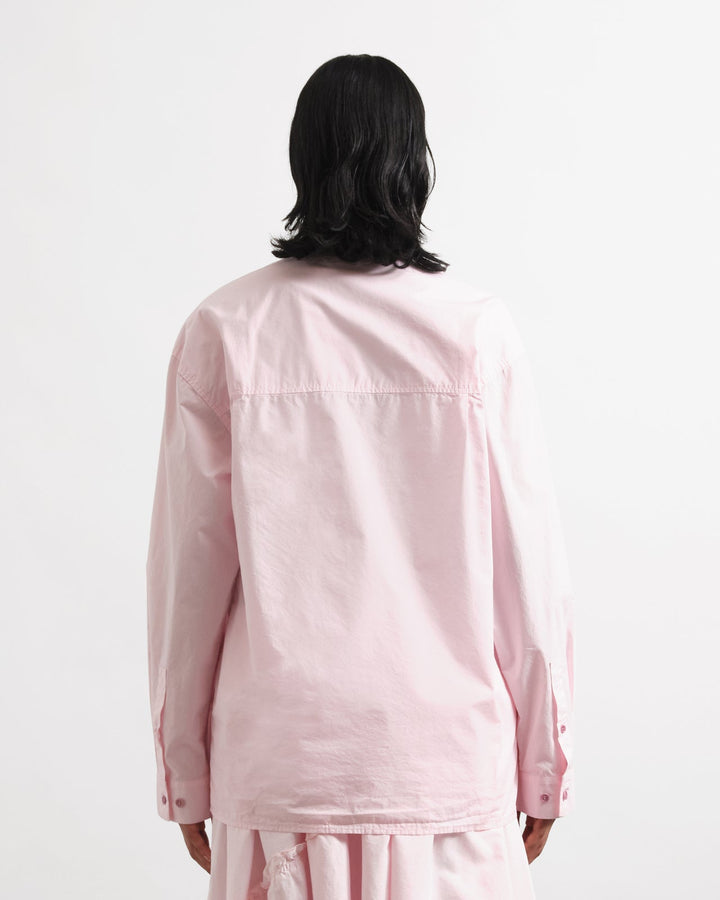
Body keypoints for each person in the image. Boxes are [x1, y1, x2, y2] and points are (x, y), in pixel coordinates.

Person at [146, 53, 576, 900]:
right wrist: (544, 766)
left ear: (303, 160)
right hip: (444, 766)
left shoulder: (225, 329)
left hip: (283, 766)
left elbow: (186, 578)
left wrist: (184, 772)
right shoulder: (476, 333)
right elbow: (529, 573)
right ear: (414, 163)